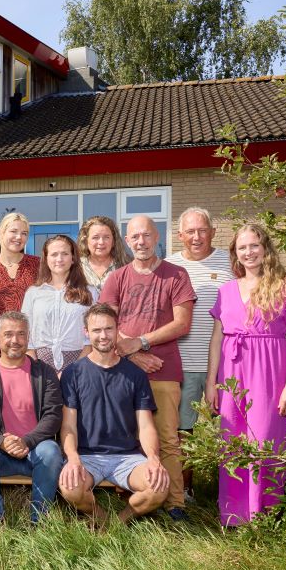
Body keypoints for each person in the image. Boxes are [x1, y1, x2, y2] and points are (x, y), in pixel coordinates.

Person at [205, 224, 286, 526]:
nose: (249, 252)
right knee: (232, 443)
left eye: (254, 245)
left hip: (270, 373)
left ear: (265, 248)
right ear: (235, 254)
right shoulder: (226, 290)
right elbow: (216, 340)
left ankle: (267, 515)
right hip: (231, 375)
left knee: (266, 442)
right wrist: (212, 383)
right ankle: (235, 515)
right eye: (242, 248)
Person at [99, 216, 196, 520]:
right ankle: (135, 492)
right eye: (134, 237)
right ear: (127, 241)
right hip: (123, 372)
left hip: (164, 371)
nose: (140, 242)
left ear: (157, 238)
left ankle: (175, 503)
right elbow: (105, 325)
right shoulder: (117, 278)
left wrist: (139, 341)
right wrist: (134, 353)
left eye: (146, 235)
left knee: (168, 437)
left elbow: (182, 323)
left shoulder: (176, 275)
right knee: (127, 436)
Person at [58, 304, 170, 526]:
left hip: (127, 457)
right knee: (70, 490)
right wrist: (72, 458)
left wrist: (153, 459)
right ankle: (101, 518)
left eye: (109, 329)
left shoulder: (135, 374)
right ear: (86, 333)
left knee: (158, 490)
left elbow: (146, 426)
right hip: (87, 456)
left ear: (118, 330)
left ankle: (118, 523)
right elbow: (68, 426)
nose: (103, 335)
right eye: (97, 330)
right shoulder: (73, 373)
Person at [0, 311, 64, 524]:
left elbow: (53, 414)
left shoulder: (44, 372)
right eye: (8, 334)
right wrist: (1, 441)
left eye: (21, 334)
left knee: (52, 451)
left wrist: (27, 441)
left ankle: (39, 521)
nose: (15, 340)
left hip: (35, 451)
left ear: (28, 337)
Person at [166, 207, 234, 498]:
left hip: (228, 363)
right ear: (180, 235)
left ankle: (232, 490)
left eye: (202, 230)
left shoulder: (232, 263)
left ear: (213, 232)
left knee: (231, 429)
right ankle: (186, 491)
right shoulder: (169, 266)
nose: (197, 237)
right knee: (184, 431)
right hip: (185, 362)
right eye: (190, 231)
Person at [21, 235, 95, 374]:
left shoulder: (89, 292)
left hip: (80, 363)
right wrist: (38, 368)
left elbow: (92, 337)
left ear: (73, 258)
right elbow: (26, 333)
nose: (59, 259)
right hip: (40, 365)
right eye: (54, 254)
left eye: (65, 254)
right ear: (46, 259)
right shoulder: (33, 293)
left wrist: (72, 370)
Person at [0, 212, 40, 361]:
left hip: (30, 342)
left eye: (24, 233)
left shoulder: (38, 265)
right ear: (1, 233)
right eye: (13, 231)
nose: (19, 237)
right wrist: (6, 331)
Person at [78, 216, 131, 291]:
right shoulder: (76, 267)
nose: (101, 242)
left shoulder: (126, 266)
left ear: (113, 241)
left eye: (106, 237)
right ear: (86, 241)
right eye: (95, 237)